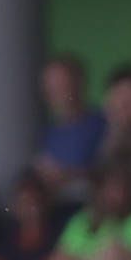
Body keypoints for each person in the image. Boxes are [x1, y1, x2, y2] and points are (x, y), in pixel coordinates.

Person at [34, 53, 107, 181]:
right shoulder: (48, 134)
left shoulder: (105, 124)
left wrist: (68, 174)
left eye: (61, 84)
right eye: (50, 86)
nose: (55, 92)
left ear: (79, 83)